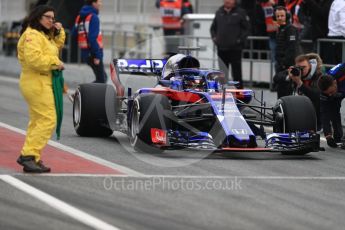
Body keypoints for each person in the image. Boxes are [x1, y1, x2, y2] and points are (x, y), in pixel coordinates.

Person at [16, 5, 65, 173]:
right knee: (48, 119)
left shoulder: (44, 35)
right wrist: (56, 63)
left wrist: (59, 32)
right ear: (38, 17)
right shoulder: (32, 35)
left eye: (53, 17)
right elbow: (34, 59)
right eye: (48, 17)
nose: (52, 20)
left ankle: (33, 157)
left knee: (38, 121)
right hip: (35, 81)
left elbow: (55, 48)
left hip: (42, 81)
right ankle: (28, 155)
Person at [210, 0, 251, 89]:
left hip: (235, 49)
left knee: (237, 73)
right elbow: (213, 28)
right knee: (222, 74)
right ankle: (223, 93)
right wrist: (215, 38)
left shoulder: (240, 12)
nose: (228, 1)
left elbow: (247, 29)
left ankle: (240, 94)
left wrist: (239, 40)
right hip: (221, 48)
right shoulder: (219, 12)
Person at [275, 53, 323, 127]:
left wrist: (299, 83)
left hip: (312, 113)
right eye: (299, 67)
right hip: (294, 109)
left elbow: (316, 95)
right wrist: (289, 77)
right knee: (282, 83)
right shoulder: (295, 71)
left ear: (310, 66)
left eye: (303, 67)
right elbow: (276, 78)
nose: (301, 70)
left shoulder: (318, 76)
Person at [74, 0, 107, 83]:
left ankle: (83, 93)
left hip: (86, 53)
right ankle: (81, 93)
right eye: (99, 2)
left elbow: (74, 33)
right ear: (93, 3)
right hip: (93, 53)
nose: (101, 4)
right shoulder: (93, 17)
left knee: (103, 78)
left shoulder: (79, 17)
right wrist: (97, 55)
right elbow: (92, 38)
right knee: (101, 80)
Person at [318, 63, 345, 148]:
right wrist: (328, 136)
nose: (329, 95)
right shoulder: (325, 91)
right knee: (333, 108)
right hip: (340, 90)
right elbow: (325, 113)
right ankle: (338, 137)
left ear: (335, 83)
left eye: (331, 92)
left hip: (342, 83)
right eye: (327, 93)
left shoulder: (341, 74)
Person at [274, 6, 301, 74]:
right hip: (280, 64)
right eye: (278, 16)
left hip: (287, 65)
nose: (280, 18)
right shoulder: (280, 29)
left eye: (282, 16)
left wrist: (284, 63)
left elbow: (292, 48)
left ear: (287, 16)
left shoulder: (291, 29)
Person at [327, 0, 345, 64]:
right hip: (339, 37)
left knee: (333, 65)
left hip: (332, 36)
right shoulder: (343, 4)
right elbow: (343, 24)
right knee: (340, 66)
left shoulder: (335, 2)